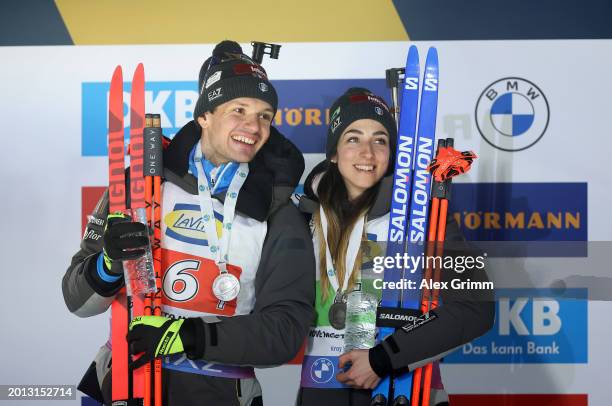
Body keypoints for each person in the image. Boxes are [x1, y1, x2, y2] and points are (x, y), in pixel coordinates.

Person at [62, 40, 315, 406]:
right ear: (204, 115)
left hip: (221, 392)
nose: (253, 125)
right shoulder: (143, 183)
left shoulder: (278, 209)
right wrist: (109, 263)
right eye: (238, 109)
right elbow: (76, 300)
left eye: (264, 115)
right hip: (122, 383)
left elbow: (286, 332)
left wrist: (188, 336)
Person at [296, 88, 495, 405]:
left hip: (401, 389)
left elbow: (475, 307)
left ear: (393, 153)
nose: (367, 152)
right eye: (353, 138)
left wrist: (383, 358)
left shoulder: (426, 218)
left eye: (380, 140)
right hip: (322, 390)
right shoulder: (304, 216)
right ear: (333, 152)